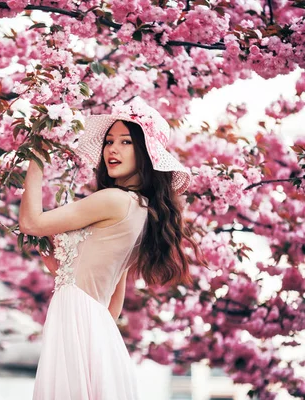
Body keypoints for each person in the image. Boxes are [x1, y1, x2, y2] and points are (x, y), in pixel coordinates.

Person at [18, 98, 205, 400]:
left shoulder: (114, 199)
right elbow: (112, 301)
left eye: (126, 142)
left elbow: (30, 221)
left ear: (146, 153)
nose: (112, 150)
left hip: (79, 317)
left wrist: (36, 157)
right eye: (108, 141)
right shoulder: (143, 210)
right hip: (97, 324)